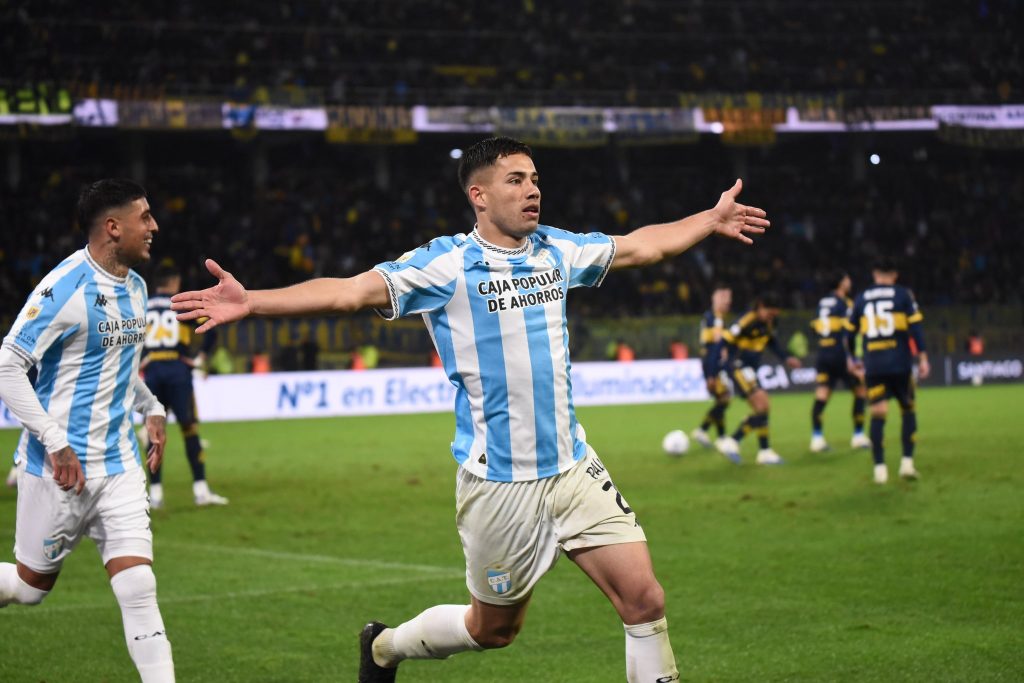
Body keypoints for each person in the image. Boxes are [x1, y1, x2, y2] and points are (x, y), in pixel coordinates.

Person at [171, 136, 769, 683]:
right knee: (493, 630)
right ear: (478, 196)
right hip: (500, 485)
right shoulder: (445, 265)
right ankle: (385, 647)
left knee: (645, 601)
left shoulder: (556, 249)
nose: (532, 190)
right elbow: (349, 291)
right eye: (516, 180)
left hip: (573, 467)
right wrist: (253, 302)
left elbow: (641, 246)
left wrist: (709, 218)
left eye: (535, 179)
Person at [0, 179, 175, 681]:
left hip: (119, 465)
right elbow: (8, 366)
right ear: (112, 227)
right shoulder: (65, 288)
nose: (154, 226)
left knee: (138, 587)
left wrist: (151, 406)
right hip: (60, 471)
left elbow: (117, 369)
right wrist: (56, 443)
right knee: (29, 589)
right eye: (144, 217)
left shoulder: (136, 287)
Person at [141, 261, 228, 509]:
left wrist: (142, 358)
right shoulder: (181, 303)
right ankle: (200, 490)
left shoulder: (142, 305)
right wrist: (199, 357)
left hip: (153, 373)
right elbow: (211, 326)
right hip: (178, 372)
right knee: (189, 430)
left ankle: (155, 495)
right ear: (175, 282)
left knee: (154, 432)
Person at [848, 259, 929, 484]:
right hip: (900, 364)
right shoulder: (903, 295)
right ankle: (907, 464)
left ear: (875, 274)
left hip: (874, 366)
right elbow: (916, 328)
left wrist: (853, 359)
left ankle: (880, 469)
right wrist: (923, 357)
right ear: (894, 274)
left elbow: (849, 333)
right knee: (908, 410)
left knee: (878, 413)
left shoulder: (861, 297)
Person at [713, 292, 801, 465]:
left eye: (774, 315)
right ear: (760, 306)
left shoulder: (769, 322)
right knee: (763, 405)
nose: (771, 318)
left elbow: (771, 342)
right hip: (738, 367)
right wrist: (714, 370)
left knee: (762, 409)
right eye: (769, 313)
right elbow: (723, 342)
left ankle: (762, 451)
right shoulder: (746, 320)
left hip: (750, 370)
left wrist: (786, 358)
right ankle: (735, 441)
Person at [809, 271, 870, 452]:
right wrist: (851, 358)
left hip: (823, 353)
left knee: (822, 395)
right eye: (847, 279)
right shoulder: (846, 303)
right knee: (860, 392)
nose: (849, 282)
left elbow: (814, 328)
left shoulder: (822, 303)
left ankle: (816, 438)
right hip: (841, 355)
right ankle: (858, 436)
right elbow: (847, 333)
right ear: (841, 283)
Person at [690, 285, 733, 450]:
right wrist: (711, 374)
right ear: (717, 299)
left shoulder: (714, 317)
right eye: (726, 298)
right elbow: (714, 347)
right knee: (724, 399)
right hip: (712, 363)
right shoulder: (714, 319)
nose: (729, 302)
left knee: (721, 399)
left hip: (712, 363)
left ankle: (719, 436)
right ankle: (703, 430)